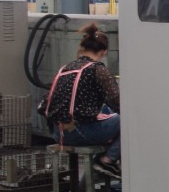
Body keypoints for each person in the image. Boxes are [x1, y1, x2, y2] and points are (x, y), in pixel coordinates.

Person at [42, 23, 121, 180]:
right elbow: (118, 102)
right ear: (104, 52)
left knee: (106, 112)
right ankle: (107, 160)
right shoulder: (98, 69)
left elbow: (45, 103)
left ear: (82, 48)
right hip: (81, 132)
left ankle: (85, 185)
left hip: (59, 132)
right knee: (129, 121)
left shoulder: (66, 68)